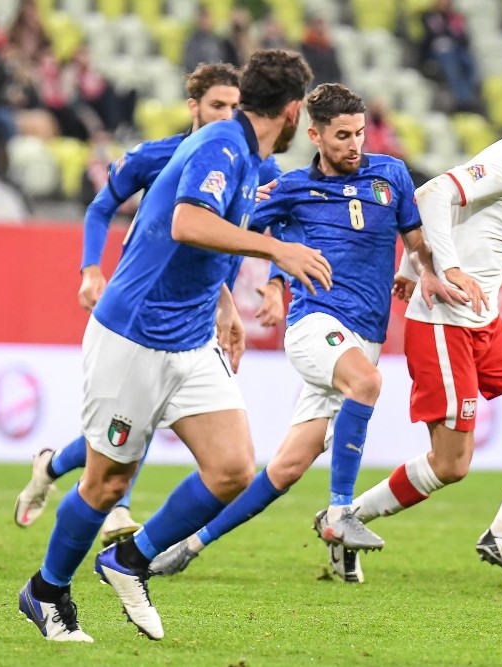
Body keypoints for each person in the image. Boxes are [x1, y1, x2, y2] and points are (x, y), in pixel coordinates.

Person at [17, 49, 324, 643]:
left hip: (187, 338)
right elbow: (187, 224)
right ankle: (47, 592)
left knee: (233, 468)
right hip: (133, 335)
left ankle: (129, 561)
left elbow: (201, 245)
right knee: (106, 483)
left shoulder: (244, 153)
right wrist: (277, 253)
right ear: (290, 111)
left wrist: (226, 305)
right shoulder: (221, 146)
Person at [146, 82, 463, 581]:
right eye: (341, 136)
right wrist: (265, 280)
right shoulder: (292, 188)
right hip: (315, 325)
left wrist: (422, 268)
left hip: (366, 337)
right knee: (367, 384)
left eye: (359, 133)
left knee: (285, 468)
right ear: (314, 134)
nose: (354, 145)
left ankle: (187, 544)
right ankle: (339, 514)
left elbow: (418, 239)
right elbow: (235, 229)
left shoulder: (391, 174)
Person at [318, 98, 502, 587]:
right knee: (451, 465)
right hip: (444, 326)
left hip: (482, 324)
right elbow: (431, 197)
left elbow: (449, 214)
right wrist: (443, 269)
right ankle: (344, 519)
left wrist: (414, 266)